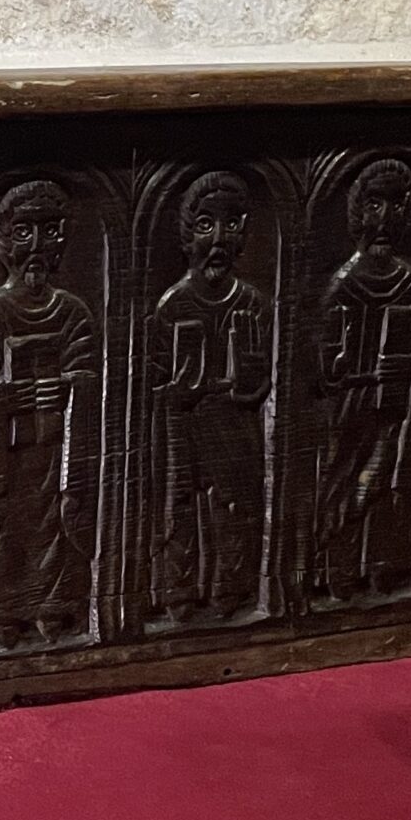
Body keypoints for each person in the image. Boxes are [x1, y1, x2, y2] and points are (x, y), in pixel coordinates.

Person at [0, 180, 98, 647]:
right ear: (4, 241)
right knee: (7, 523)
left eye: (49, 231)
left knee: (55, 520)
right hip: (5, 453)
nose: (37, 246)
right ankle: (1, 611)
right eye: (23, 232)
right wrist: (4, 396)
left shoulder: (73, 312)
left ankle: (52, 605)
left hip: (57, 445)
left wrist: (64, 389)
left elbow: (87, 378)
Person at [148, 171, 273, 625]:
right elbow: (155, 385)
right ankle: (178, 593)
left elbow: (263, 384)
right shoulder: (173, 306)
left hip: (235, 430)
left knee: (233, 511)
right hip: (184, 431)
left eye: (231, 225)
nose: (219, 238)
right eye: (205, 225)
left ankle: (230, 590)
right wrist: (180, 392)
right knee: (181, 512)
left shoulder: (253, 304)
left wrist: (248, 383)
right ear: (187, 235)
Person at [313, 161, 411, 602]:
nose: (384, 219)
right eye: (373, 205)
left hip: (394, 413)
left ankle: (383, 570)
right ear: (356, 212)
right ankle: (336, 571)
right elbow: (323, 365)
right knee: (341, 484)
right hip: (348, 413)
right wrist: (347, 370)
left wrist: (408, 368)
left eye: (396, 206)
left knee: (382, 483)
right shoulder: (343, 287)